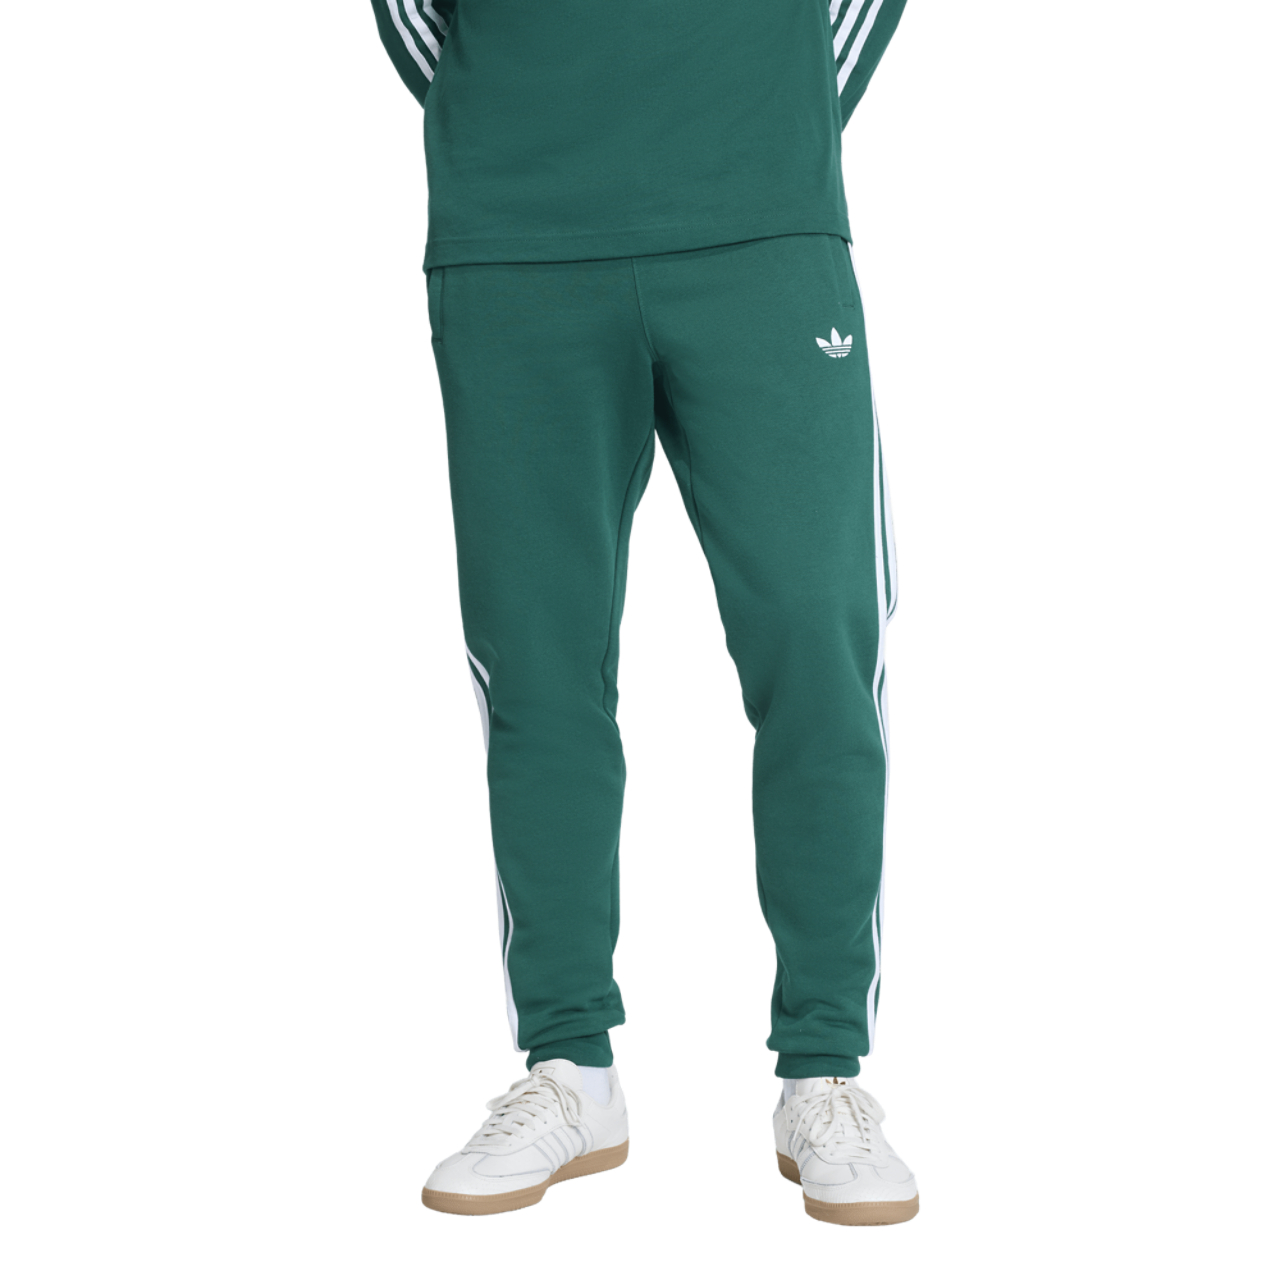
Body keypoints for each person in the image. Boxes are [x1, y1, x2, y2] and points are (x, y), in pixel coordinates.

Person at [370, 0, 918, 1226]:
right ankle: (569, 1064)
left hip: (758, 222)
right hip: (516, 235)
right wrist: (512, 103)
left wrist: (771, 105)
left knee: (817, 638)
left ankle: (823, 1069)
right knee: (537, 659)